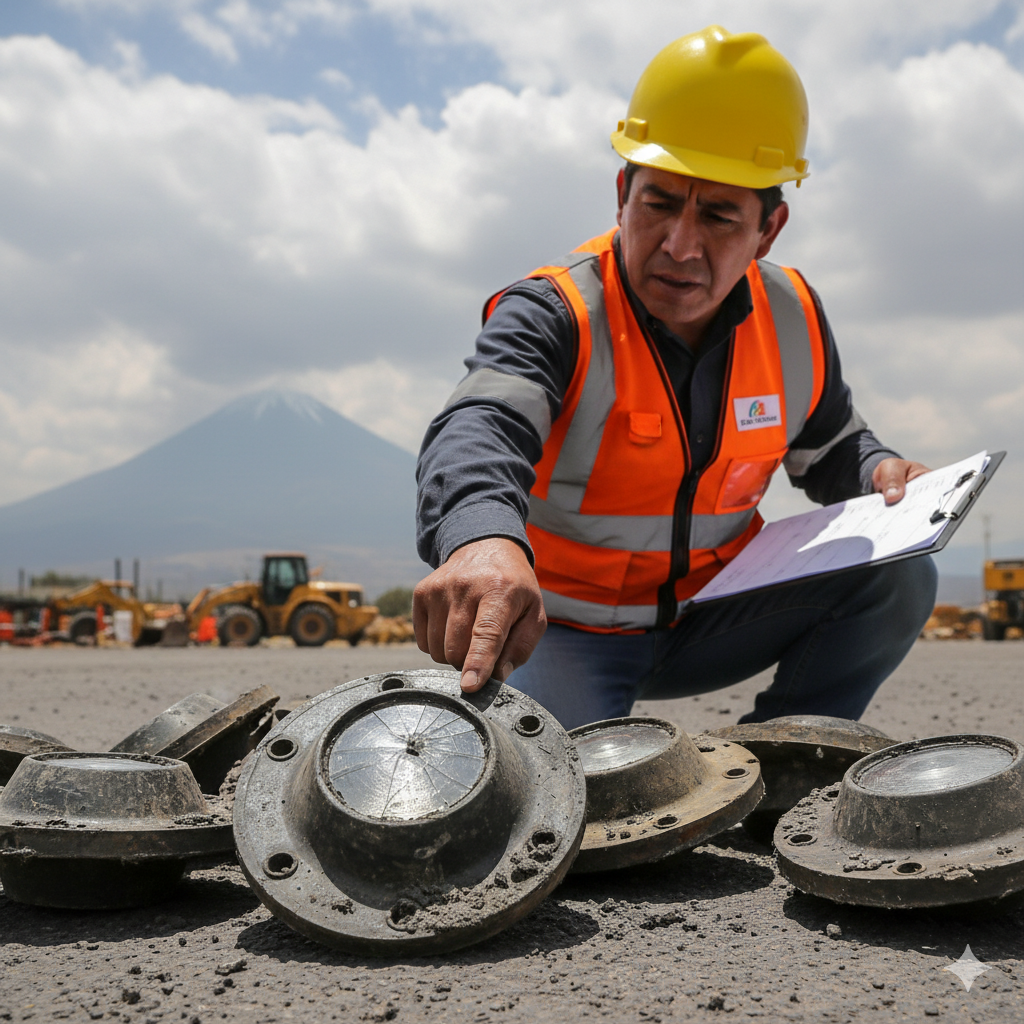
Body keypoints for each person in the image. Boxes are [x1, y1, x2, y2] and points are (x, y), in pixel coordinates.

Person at [413, 25, 937, 730]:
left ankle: (783, 761)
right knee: (557, 802)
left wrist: (878, 470)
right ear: (622, 193)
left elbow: (833, 446)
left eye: (719, 215)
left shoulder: (793, 317)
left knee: (899, 570)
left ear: (769, 229)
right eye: (659, 202)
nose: (680, 245)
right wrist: (481, 539)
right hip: (561, 631)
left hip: (715, 619)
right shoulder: (555, 312)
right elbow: (478, 427)